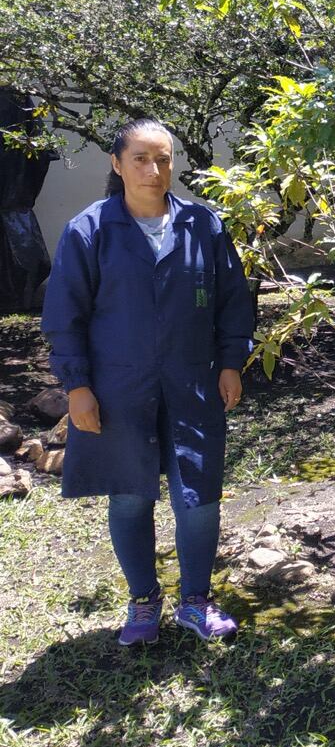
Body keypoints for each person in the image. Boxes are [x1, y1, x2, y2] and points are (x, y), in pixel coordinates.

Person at [41, 119, 254, 645]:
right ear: (116, 164)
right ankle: (142, 601)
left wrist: (231, 362)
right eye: (140, 158)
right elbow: (64, 315)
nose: (154, 170)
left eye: (163, 159)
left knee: (199, 496)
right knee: (130, 495)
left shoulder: (203, 225)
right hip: (118, 388)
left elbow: (233, 299)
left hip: (193, 383)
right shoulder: (89, 231)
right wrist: (76, 386)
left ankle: (196, 600)